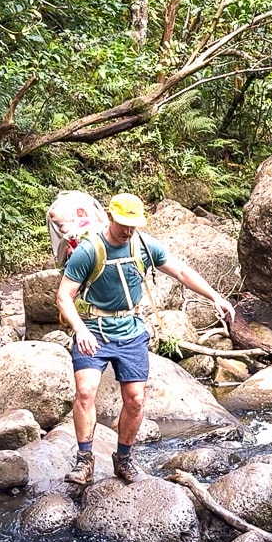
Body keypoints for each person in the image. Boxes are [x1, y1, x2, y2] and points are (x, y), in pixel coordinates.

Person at [55, 193, 236, 485]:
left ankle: (123, 459)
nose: (128, 231)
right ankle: (84, 461)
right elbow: (64, 296)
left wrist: (215, 296)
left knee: (136, 400)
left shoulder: (143, 245)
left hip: (131, 331)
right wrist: (81, 329)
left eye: (133, 225)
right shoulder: (89, 250)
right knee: (86, 391)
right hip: (94, 329)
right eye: (123, 224)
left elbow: (179, 270)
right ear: (111, 218)